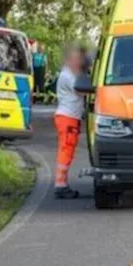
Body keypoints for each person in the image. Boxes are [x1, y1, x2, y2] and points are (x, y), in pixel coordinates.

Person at [54, 44, 95, 198]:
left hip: (69, 117)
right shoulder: (68, 75)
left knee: (68, 151)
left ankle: (61, 183)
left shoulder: (70, 73)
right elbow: (80, 89)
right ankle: (60, 185)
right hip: (67, 117)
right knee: (66, 150)